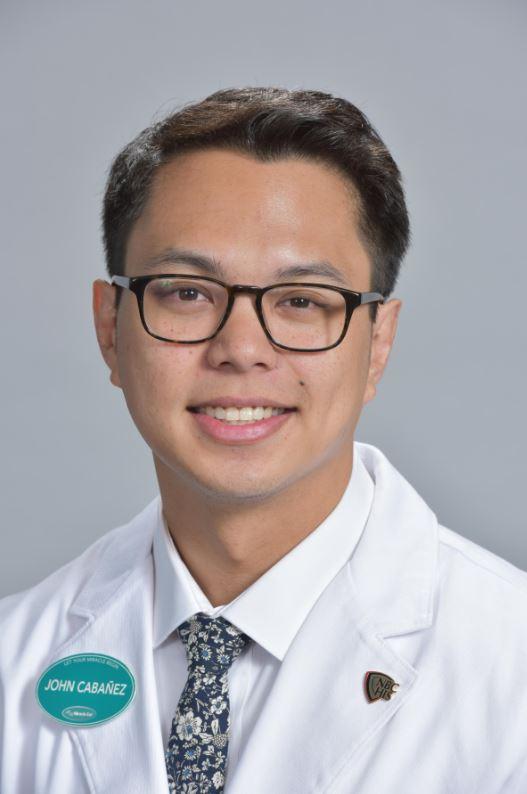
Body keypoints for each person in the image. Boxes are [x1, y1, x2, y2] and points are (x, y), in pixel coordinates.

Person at [1, 86, 526, 794]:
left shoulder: (510, 670)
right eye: (187, 292)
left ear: (377, 344)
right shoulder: (12, 660)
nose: (241, 350)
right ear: (109, 329)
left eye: (302, 300)